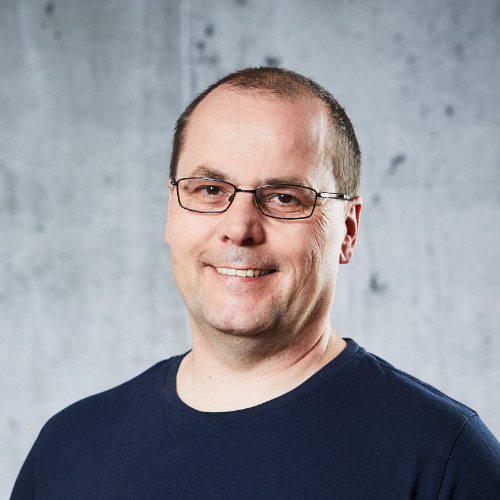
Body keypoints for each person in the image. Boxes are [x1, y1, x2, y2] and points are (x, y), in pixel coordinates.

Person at [11, 67, 500, 499]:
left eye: (284, 197)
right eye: (210, 190)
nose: (240, 227)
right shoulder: (68, 450)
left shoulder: (444, 459)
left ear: (348, 231)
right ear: (171, 211)